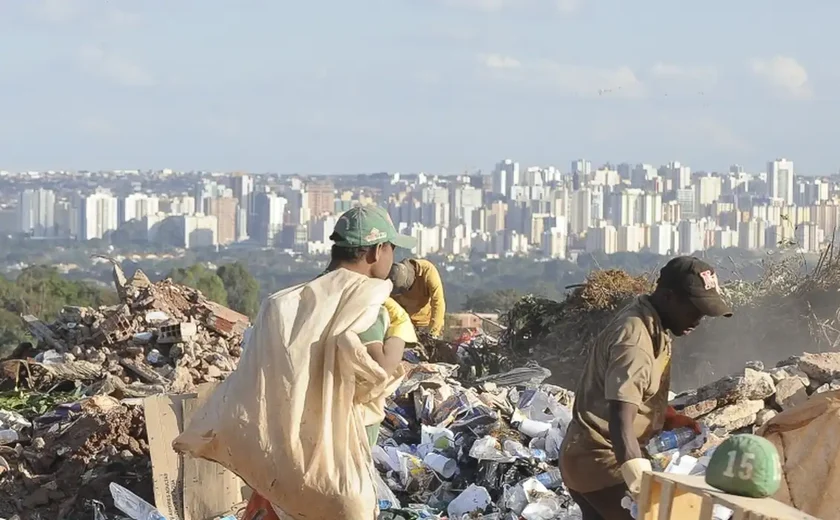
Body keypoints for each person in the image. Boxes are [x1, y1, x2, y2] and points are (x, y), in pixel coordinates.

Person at [243, 205, 418, 520]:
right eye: (393, 248)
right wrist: (400, 332)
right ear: (378, 251)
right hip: (339, 455)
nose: (393, 257)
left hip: (288, 446)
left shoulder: (292, 301)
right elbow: (378, 369)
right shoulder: (364, 303)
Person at [559, 256, 733, 520]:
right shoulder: (636, 340)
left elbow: (633, 392)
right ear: (668, 296)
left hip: (583, 459)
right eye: (694, 308)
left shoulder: (651, 320)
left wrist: (666, 416)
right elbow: (620, 420)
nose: (698, 319)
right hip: (602, 463)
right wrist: (640, 485)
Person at [389, 258, 446, 338]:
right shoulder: (394, 277)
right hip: (407, 325)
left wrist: (434, 332)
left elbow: (438, 301)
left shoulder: (427, 271)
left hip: (428, 323)